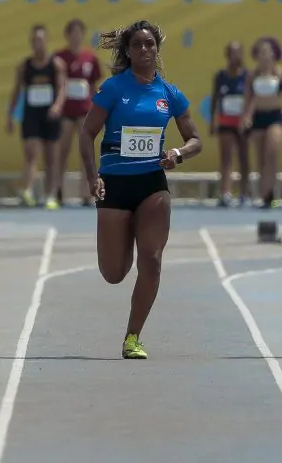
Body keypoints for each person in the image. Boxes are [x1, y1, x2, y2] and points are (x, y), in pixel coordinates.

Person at [80, 20, 201, 360]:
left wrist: (177, 153)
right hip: (115, 183)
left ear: (157, 50)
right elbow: (86, 134)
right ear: (128, 52)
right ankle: (124, 238)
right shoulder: (113, 89)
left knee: (152, 260)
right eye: (138, 45)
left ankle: (133, 336)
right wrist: (93, 177)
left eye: (150, 44)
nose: (145, 50)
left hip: (152, 184)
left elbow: (195, 140)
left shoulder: (169, 94)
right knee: (114, 273)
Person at [6, 24, 66, 208]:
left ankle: (50, 195)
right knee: (31, 153)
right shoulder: (24, 66)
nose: (37, 43)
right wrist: (10, 116)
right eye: (34, 40)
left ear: (46, 41)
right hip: (31, 115)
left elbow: (62, 89)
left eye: (40, 40)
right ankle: (28, 190)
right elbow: (16, 91)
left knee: (51, 158)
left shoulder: (56, 65)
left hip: (50, 115)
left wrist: (57, 106)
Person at [240, 36, 282, 208]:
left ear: (275, 54)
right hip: (258, 117)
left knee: (272, 150)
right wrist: (245, 118)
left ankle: (271, 191)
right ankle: (265, 194)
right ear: (257, 55)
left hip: (275, 116)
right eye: (261, 51)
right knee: (260, 158)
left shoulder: (281, 73)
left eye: (268, 51)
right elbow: (248, 99)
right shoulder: (252, 75)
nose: (265, 54)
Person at [54, 19, 104, 207]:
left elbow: (93, 84)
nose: (75, 37)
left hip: (85, 111)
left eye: (78, 33)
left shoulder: (90, 58)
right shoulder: (59, 58)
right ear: (67, 36)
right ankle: (57, 190)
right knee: (62, 151)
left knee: (86, 152)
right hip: (66, 112)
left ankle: (87, 193)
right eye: (72, 33)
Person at [209, 41, 250, 207]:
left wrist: (248, 117)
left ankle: (244, 194)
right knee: (226, 157)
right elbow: (214, 98)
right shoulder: (220, 76)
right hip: (226, 120)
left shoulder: (247, 75)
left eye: (238, 53)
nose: (235, 57)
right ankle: (225, 193)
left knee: (244, 157)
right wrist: (212, 120)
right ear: (227, 55)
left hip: (243, 123)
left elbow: (251, 99)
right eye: (232, 53)